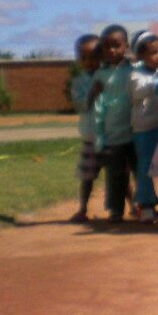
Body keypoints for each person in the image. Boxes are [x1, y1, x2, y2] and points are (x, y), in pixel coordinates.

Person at [128, 32, 158, 223]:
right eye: (151, 53)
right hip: (143, 128)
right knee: (145, 166)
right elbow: (139, 91)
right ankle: (147, 204)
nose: (157, 56)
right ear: (140, 56)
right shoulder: (135, 74)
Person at [87, 25, 135, 223]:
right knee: (115, 175)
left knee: (141, 171)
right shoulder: (100, 75)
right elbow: (94, 104)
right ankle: (116, 210)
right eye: (107, 47)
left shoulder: (134, 70)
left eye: (116, 46)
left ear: (126, 46)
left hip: (135, 130)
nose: (112, 51)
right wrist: (99, 135)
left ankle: (144, 206)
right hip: (112, 133)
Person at [68, 35, 102, 223]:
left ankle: (132, 206)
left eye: (95, 57)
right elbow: (80, 105)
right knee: (87, 175)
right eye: (84, 57)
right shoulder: (78, 82)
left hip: (113, 133)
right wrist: (92, 93)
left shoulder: (108, 75)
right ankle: (83, 209)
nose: (89, 62)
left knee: (119, 173)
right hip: (91, 134)